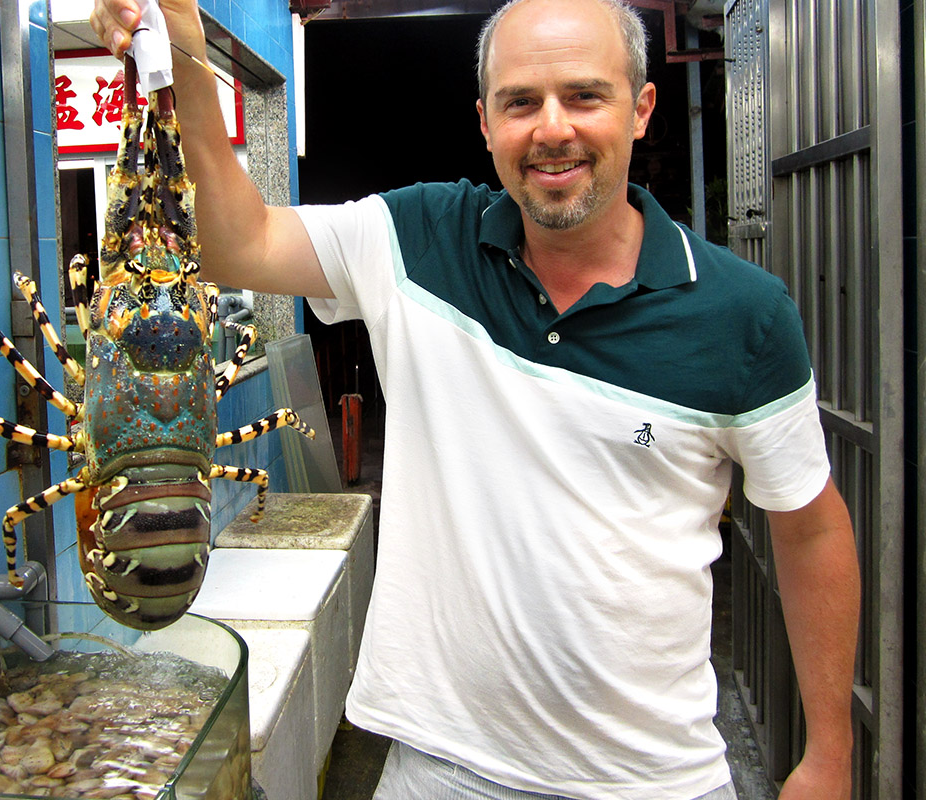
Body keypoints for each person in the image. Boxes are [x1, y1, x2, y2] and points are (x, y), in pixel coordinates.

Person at [89, 1, 861, 798]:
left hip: (654, 777)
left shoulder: (741, 313)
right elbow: (236, 243)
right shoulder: (417, 239)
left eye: (585, 96)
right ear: (486, 122)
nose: (552, 129)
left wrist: (829, 753)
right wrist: (183, 49)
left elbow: (810, 530)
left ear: (641, 109)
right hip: (438, 768)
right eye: (520, 102)